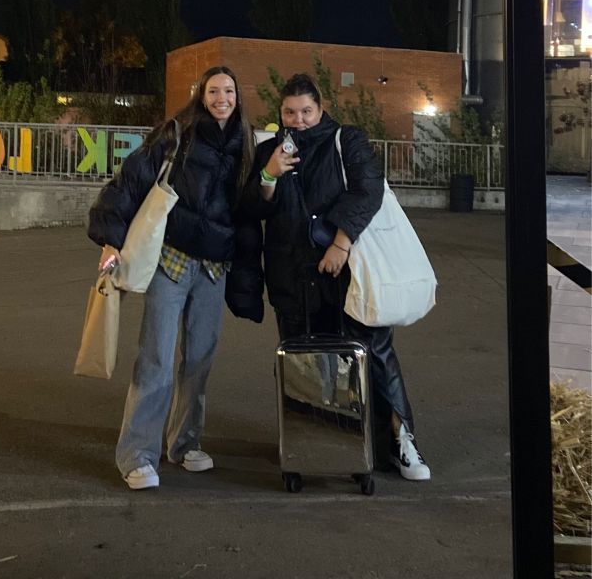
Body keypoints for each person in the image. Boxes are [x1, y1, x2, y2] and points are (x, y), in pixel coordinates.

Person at [242, 73, 431, 481]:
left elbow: (368, 189)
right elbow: (253, 209)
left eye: (306, 111)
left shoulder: (347, 140)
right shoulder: (269, 151)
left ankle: (401, 440)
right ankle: (312, 441)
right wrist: (269, 175)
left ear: (321, 107)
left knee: (374, 353)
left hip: (347, 271)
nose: (298, 120)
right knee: (305, 364)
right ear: (280, 112)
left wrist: (341, 243)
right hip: (291, 273)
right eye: (290, 112)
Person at [87, 66, 254, 490]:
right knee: (157, 358)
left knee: (199, 359)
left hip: (214, 267)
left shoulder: (247, 142)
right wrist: (110, 239)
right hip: (172, 260)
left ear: (238, 96)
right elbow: (131, 179)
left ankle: (185, 443)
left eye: (229, 91)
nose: (222, 98)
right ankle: (137, 456)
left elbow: (255, 202)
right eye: (214, 91)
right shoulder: (178, 133)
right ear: (202, 95)